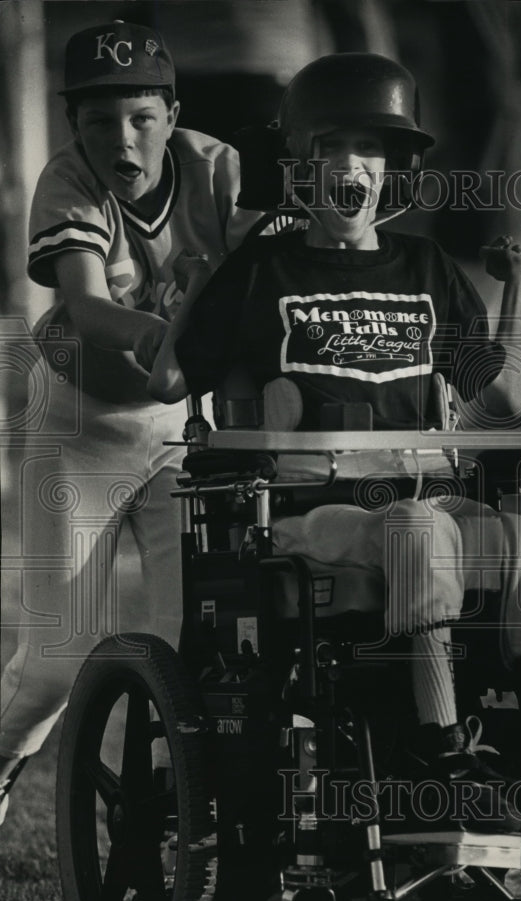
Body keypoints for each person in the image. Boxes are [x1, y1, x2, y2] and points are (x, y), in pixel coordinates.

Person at [149, 54, 521, 836]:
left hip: (418, 498)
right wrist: (201, 280)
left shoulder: (428, 266)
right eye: (338, 151)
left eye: (374, 154)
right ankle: (440, 745)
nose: (355, 172)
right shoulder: (263, 269)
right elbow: (172, 381)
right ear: (303, 163)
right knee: (419, 530)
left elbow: (499, 393)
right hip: (310, 512)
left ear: (395, 170)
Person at [0, 20, 260, 822]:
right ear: (74, 123)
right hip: (81, 427)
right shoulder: (67, 179)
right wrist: (180, 337)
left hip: (181, 429)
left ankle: (171, 810)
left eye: (142, 117)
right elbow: (85, 305)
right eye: (99, 119)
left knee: (191, 649)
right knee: (54, 663)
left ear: (172, 115)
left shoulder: (220, 170)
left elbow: (269, 282)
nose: (123, 137)